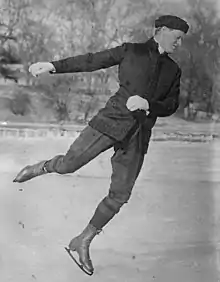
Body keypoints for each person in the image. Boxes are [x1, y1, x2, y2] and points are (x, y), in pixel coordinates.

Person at [13, 15, 189, 276]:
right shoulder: (132, 50)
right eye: (177, 36)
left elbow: (172, 105)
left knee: (120, 195)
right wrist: (52, 66)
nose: (180, 42)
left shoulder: (174, 70)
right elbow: (91, 61)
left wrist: (149, 104)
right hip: (110, 122)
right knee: (68, 165)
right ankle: (43, 167)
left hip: (138, 135)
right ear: (161, 31)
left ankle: (82, 240)